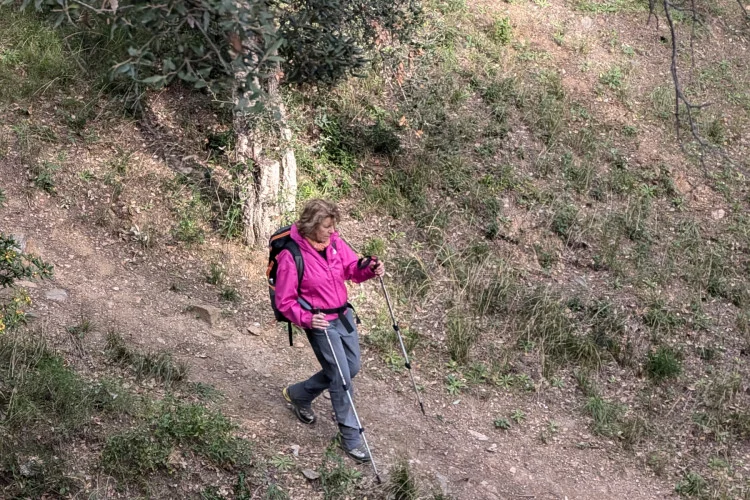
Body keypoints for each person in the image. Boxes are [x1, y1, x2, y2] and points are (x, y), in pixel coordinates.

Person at [275, 199, 385, 463]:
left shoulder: (334, 243)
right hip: (321, 322)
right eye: (326, 226)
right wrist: (307, 319)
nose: (332, 231)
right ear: (312, 225)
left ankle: (299, 394)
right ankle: (351, 436)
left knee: (352, 367)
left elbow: (351, 270)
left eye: (333, 225)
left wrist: (369, 268)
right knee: (341, 377)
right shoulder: (292, 254)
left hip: (343, 316)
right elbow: (284, 301)